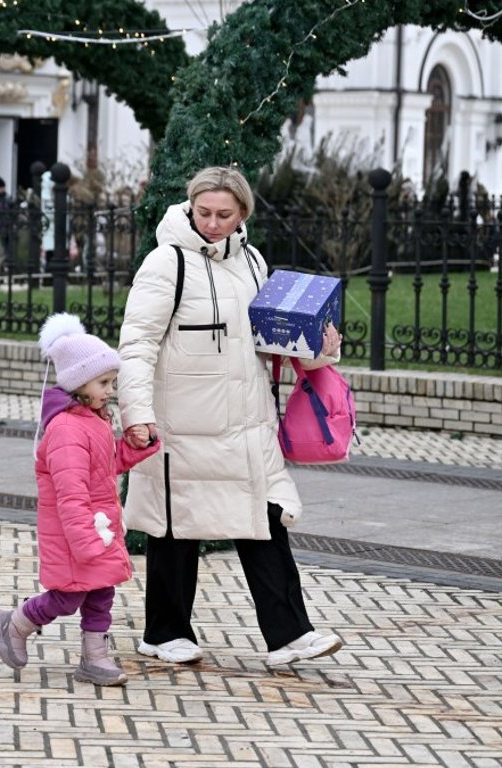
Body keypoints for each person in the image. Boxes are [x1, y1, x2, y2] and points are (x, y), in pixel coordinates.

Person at [116, 165, 344, 668]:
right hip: (182, 427)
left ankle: (290, 636)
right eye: (204, 213)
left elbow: (273, 338)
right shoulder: (165, 264)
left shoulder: (255, 262)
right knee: (175, 529)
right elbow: (136, 345)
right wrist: (136, 413)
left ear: (243, 213)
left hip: (248, 424)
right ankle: (164, 631)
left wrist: (320, 351)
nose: (213, 223)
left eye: (224, 214)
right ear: (190, 207)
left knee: (264, 520)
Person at [0, 313, 160, 686]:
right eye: (103, 382)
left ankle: (94, 658)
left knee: (101, 593)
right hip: (77, 534)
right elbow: (71, 494)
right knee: (67, 598)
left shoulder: (92, 420)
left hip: (97, 527)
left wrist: (133, 448)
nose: (110, 390)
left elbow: (105, 466)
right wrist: (84, 540)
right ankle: (15, 624)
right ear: (78, 383)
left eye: (111, 382)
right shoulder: (67, 429)